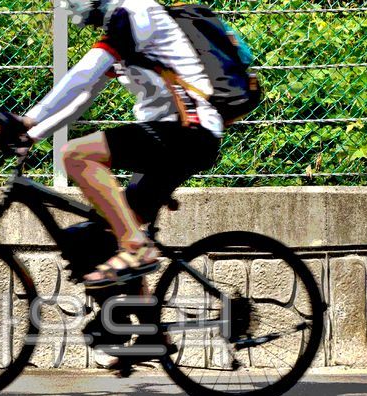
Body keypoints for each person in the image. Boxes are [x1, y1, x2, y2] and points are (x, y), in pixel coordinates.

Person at [17, 0, 223, 288]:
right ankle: (152, 331)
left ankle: (136, 247)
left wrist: (29, 119)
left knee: (76, 155)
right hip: (176, 137)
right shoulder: (123, 26)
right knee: (108, 236)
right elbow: (83, 95)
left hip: (185, 132)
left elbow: (82, 75)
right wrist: (32, 133)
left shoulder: (135, 11)